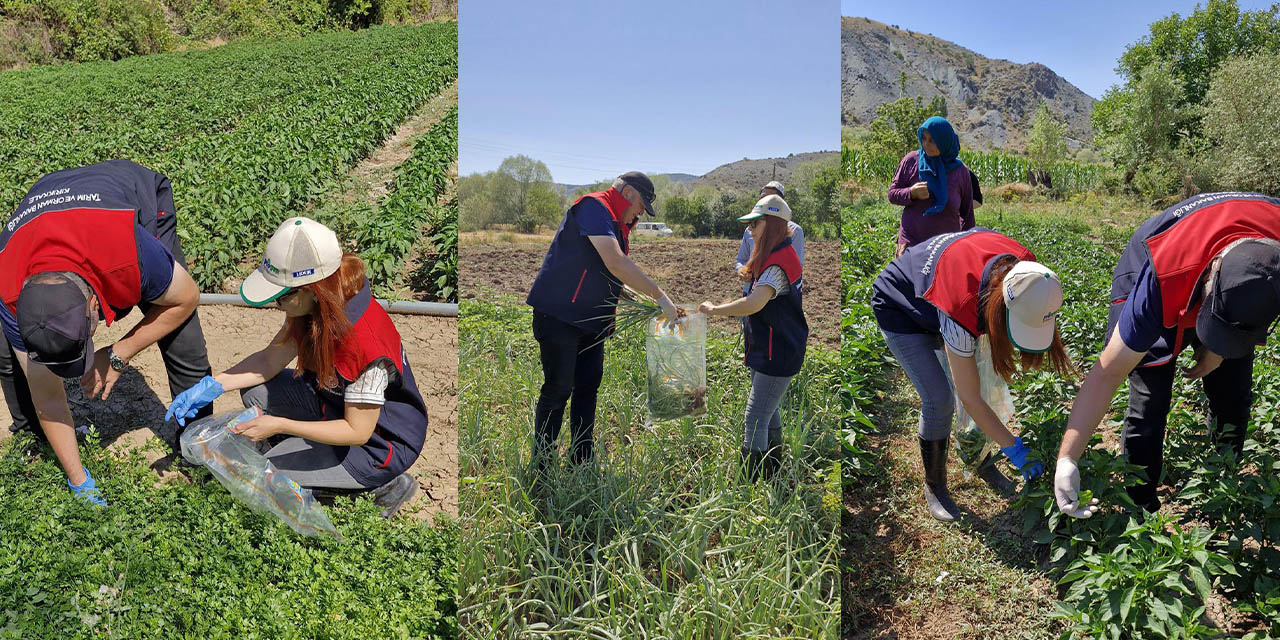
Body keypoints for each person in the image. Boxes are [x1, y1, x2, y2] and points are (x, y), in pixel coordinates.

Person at [165, 217, 426, 518]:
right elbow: (269, 361)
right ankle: (311, 458)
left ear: (310, 290)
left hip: (377, 444)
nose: (277, 305)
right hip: (335, 402)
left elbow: (358, 431)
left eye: (281, 298)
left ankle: (384, 486)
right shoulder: (320, 303)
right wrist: (212, 386)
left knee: (267, 476)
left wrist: (279, 425)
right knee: (258, 392)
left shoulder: (364, 344)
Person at [0, 159, 213, 506]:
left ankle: (199, 445)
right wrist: (78, 479)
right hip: (47, 208)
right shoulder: (7, 287)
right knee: (7, 356)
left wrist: (119, 353)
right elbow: (47, 395)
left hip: (129, 200)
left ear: (95, 308)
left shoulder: (128, 254)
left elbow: (187, 299)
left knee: (180, 333)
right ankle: (32, 439)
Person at [1055, 192, 1280, 519]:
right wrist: (1067, 460)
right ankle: (1140, 503)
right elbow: (1107, 373)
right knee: (1151, 394)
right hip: (1161, 264)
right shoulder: (1164, 276)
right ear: (1210, 276)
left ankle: (1223, 485)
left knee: (1233, 392)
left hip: (1233, 268)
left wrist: (1218, 349)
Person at [871, 227, 1074, 521]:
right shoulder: (961, 307)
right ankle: (935, 486)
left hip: (945, 290)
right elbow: (969, 398)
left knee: (982, 377)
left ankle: (979, 456)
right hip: (901, 306)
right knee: (940, 398)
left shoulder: (1032, 276)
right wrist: (1014, 448)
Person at [525, 171, 678, 473]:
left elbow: (607, 275)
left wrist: (643, 302)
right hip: (560, 317)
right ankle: (541, 466)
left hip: (591, 323)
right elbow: (615, 261)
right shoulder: (595, 208)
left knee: (588, 386)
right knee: (559, 388)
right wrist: (659, 295)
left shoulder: (616, 224)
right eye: (640, 207)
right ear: (630, 194)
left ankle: (581, 459)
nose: (639, 215)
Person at [699, 195, 808, 481]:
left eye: (755, 223)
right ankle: (773, 473)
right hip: (768, 348)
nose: (749, 229)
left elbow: (753, 303)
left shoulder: (778, 264)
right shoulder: (774, 256)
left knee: (755, 417)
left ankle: (751, 483)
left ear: (771, 225)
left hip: (778, 352)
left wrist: (715, 310)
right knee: (768, 412)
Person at [888, 116, 975, 257]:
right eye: (924, 138)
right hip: (912, 243)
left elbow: (967, 214)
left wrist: (967, 248)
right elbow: (892, 194)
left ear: (944, 142)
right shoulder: (911, 161)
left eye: (932, 140)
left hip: (945, 248)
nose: (926, 144)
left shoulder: (960, 172)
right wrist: (911, 193)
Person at [735, 181, 805, 296]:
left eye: (772, 198)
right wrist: (742, 270)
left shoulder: (795, 231)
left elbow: (795, 267)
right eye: (763, 197)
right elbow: (741, 259)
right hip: (750, 290)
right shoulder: (750, 229)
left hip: (777, 296)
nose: (766, 201)